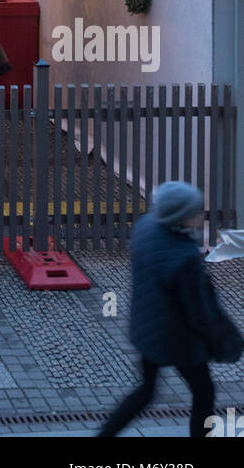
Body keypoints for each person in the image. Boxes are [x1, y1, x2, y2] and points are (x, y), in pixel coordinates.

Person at [98, 183, 242, 438]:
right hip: (178, 340)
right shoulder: (184, 256)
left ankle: (104, 435)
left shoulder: (146, 228)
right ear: (180, 216)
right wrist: (221, 341)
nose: (201, 215)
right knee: (204, 392)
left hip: (147, 328)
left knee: (146, 390)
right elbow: (199, 313)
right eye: (196, 211)